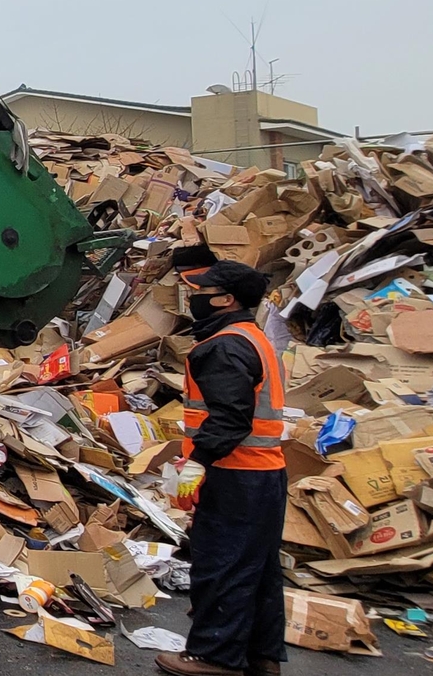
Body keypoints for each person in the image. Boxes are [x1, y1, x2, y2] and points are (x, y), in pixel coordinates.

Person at [156, 260, 288, 676]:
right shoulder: (253, 337)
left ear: (225, 299)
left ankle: (214, 656)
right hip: (264, 473)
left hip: (237, 474)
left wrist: (198, 462)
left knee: (222, 564)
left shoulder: (223, 346)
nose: (192, 297)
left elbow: (231, 417)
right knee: (259, 568)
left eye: (201, 291)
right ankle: (261, 655)